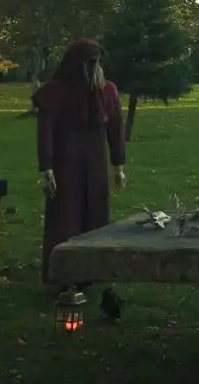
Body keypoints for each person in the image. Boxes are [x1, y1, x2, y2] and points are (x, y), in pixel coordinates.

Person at [32, 39, 127, 294]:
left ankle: (90, 270)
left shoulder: (106, 92)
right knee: (66, 217)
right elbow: (46, 133)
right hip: (66, 164)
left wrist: (118, 165)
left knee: (94, 214)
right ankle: (63, 273)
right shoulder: (56, 92)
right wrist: (47, 169)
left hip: (93, 162)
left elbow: (115, 130)